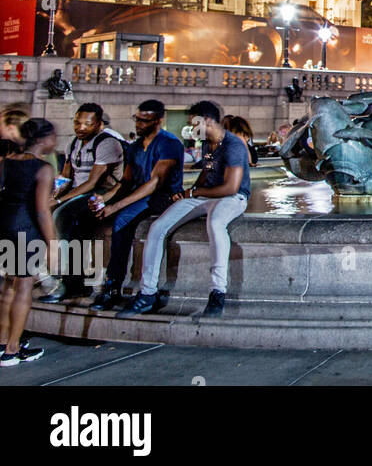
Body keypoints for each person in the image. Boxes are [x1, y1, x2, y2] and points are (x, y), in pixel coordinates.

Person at [117, 101, 251, 319]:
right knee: (158, 226)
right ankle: (147, 293)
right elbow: (207, 172)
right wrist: (191, 191)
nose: (190, 129)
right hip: (205, 195)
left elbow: (231, 187)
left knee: (216, 223)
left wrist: (194, 193)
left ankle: (218, 292)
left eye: (193, 124)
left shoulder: (233, 145)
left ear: (206, 121)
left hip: (234, 198)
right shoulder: (209, 144)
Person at [87, 100, 185, 312]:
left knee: (122, 220)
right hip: (140, 195)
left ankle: (112, 286)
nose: (138, 124)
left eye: (144, 120)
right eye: (137, 119)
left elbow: (155, 183)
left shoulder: (169, 144)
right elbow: (126, 182)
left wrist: (115, 207)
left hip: (162, 197)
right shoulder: (134, 147)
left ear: (159, 120)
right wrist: (103, 199)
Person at [39, 103, 125, 302]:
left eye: (87, 124)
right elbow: (67, 176)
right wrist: (54, 193)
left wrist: (59, 200)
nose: (81, 127)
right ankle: (62, 277)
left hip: (100, 194)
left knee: (64, 216)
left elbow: (92, 183)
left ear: (98, 125)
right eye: (77, 122)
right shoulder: (74, 143)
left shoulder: (107, 144)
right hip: (78, 193)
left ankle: (71, 282)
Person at [0, 119, 59, 366]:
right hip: (26, 229)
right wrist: (53, 244)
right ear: (44, 140)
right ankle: (13, 350)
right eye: (53, 136)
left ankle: (3, 342)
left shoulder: (6, 162)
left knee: (7, 288)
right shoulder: (43, 169)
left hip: (5, 225)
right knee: (24, 287)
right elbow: (42, 211)